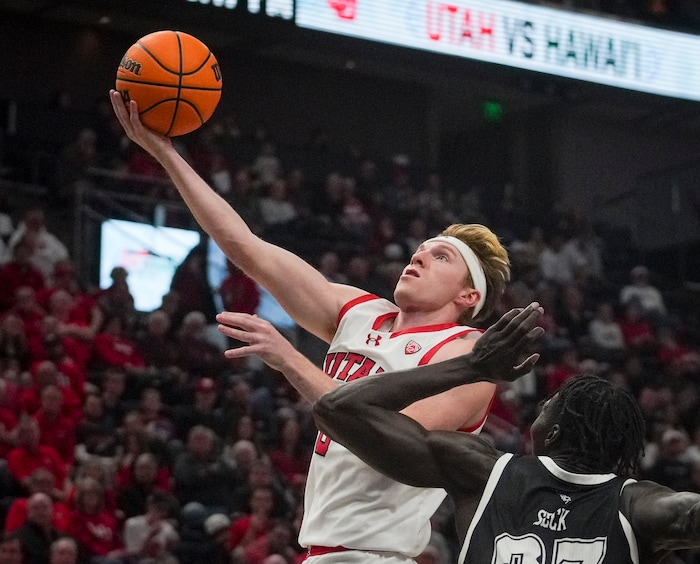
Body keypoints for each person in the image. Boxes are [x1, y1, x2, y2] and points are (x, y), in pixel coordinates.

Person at [110, 90, 512, 562]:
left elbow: (389, 439)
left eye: (440, 256)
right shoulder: (358, 311)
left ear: (469, 296)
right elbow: (246, 247)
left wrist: (289, 360)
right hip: (323, 553)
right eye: (419, 249)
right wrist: (167, 155)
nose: (419, 256)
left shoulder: (468, 354)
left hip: (374, 556)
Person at [310, 304, 700, 563]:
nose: (538, 410)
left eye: (546, 407)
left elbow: (336, 409)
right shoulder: (637, 506)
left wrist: (472, 366)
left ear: (555, 432)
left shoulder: (483, 472)